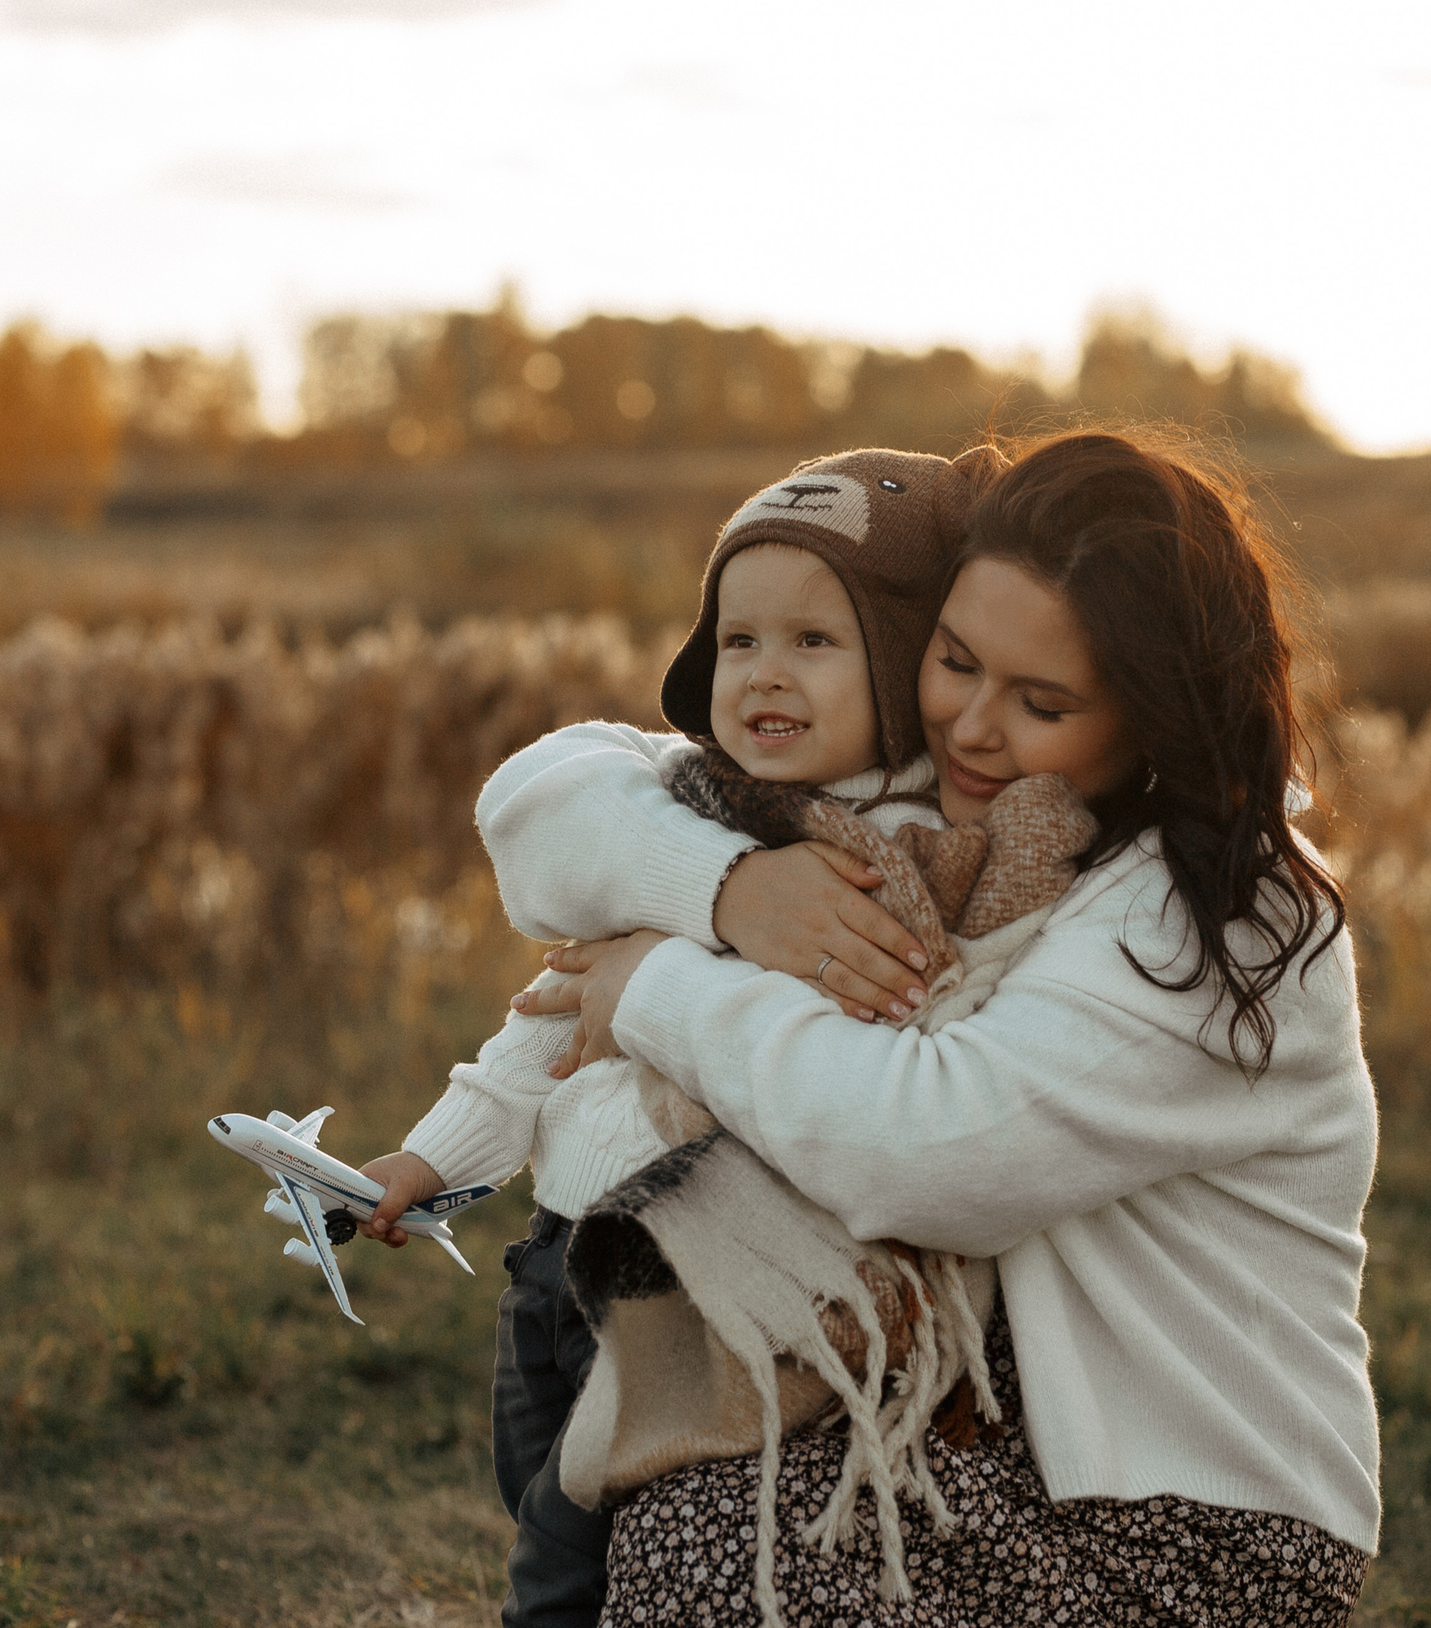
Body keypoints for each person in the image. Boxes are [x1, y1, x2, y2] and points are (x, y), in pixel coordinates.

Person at [490, 430, 1380, 1625]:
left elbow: (924, 1151)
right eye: (954, 662)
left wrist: (655, 983)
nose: (971, 726)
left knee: (722, 1545)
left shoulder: (1217, 915)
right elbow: (557, 803)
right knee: (697, 1496)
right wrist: (723, 892)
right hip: (984, 1437)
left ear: (1155, 714)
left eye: (1043, 701)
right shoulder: (958, 817)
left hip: (1188, 1518)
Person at [356, 447, 990, 1628]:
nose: (765, 674)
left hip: (683, 1289)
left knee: (567, 1559)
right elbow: (544, 1027)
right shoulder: (683, 798)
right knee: (535, 1498)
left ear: (904, 669)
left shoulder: (905, 859)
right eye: (738, 641)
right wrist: (433, 1163)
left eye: (814, 641)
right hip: (551, 1262)